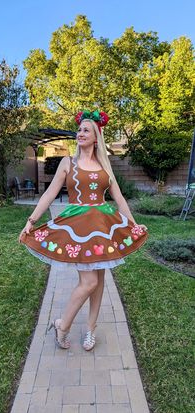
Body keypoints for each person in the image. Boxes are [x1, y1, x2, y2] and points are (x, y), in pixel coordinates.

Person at [19, 110, 148, 351]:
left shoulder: (105, 166)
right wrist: (32, 220)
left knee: (99, 280)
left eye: (86, 130)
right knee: (88, 281)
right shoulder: (68, 162)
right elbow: (49, 193)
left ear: (96, 136)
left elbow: (119, 198)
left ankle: (90, 329)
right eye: (79, 130)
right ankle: (63, 324)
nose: (80, 133)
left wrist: (133, 224)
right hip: (78, 227)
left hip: (103, 226)